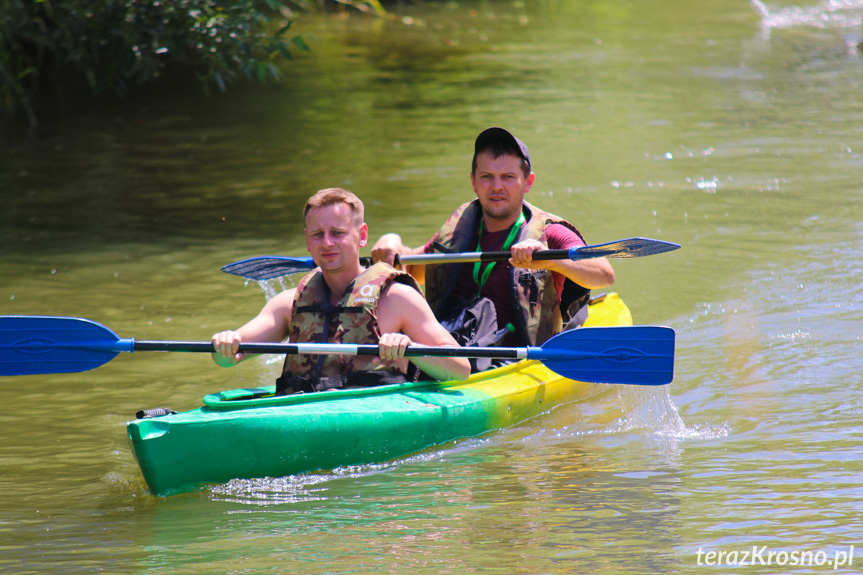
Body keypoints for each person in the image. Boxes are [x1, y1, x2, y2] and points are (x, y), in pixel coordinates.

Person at [371, 127, 615, 353]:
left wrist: (550, 260)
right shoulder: (459, 229)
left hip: (514, 359)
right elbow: (413, 270)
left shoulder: (550, 233)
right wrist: (392, 242)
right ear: (473, 182)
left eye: (508, 177)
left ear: (527, 183)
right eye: (487, 176)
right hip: (454, 351)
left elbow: (604, 274)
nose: (496, 186)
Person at [212, 188, 470, 393]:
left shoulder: (398, 299)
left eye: (337, 233)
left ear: (362, 235)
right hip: (300, 410)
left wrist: (411, 346)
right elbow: (230, 358)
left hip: (372, 416)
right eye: (317, 234)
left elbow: (460, 370)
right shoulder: (288, 303)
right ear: (306, 240)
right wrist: (225, 345)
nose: (327, 243)